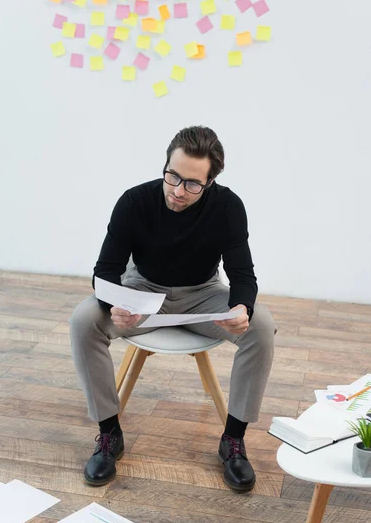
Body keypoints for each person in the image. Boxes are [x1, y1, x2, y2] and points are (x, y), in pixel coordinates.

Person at [70, 125, 275, 492]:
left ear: (210, 181)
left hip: (202, 292)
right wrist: (115, 304)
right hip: (141, 291)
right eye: (172, 177)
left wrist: (242, 307)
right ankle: (108, 433)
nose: (178, 191)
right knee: (84, 320)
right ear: (165, 165)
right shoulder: (134, 201)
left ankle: (233, 440)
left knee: (261, 326)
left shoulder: (228, 207)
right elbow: (105, 270)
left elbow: (243, 274)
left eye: (192, 184)